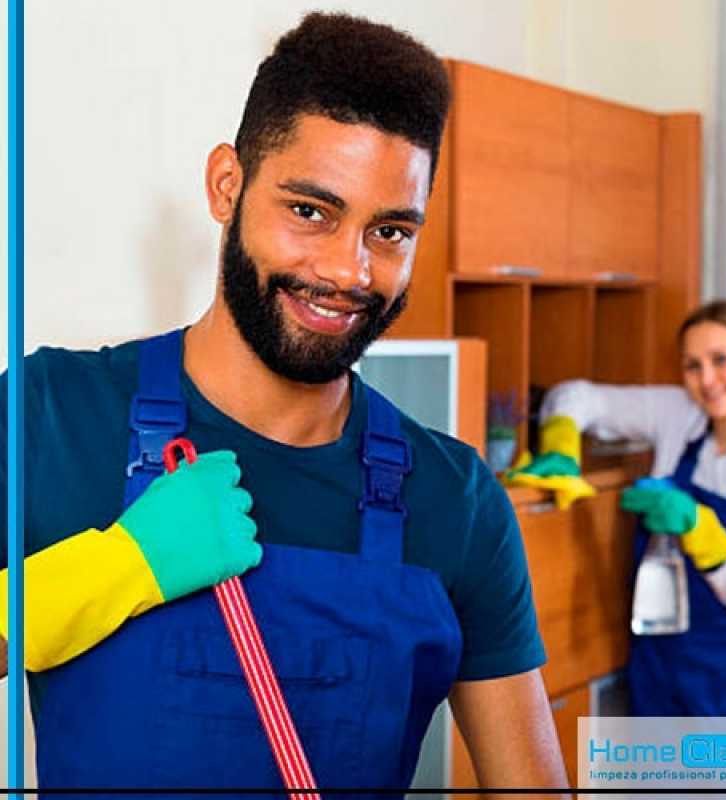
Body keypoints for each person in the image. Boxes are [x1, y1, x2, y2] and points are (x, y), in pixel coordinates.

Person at [0, 12, 568, 797]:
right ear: (226, 185)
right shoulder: (53, 416)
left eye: (391, 231)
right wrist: (117, 569)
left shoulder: (457, 501)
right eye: (311, 211)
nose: (349, 270)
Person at [529, 299, 726, 716]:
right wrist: (562, 446)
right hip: (661, 665)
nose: (706, 380)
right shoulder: (680, 414)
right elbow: (574, 396)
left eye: (721, 360)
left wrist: (697, 525)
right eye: (693, 365)